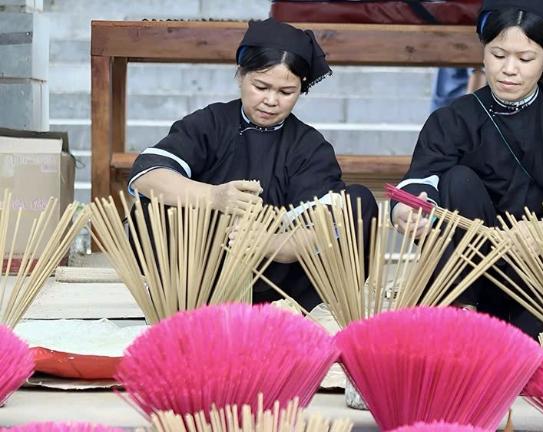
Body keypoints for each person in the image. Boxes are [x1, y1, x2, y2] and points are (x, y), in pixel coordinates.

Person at [391, 0, 543, 336]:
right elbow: (421, 181)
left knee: (533, 348)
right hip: (472, 273)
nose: (509, 69)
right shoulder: (452, 118)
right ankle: (462, 314)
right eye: (498, 55)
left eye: (525, 59)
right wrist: (410, 213)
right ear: (483, 51)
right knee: (456, 180)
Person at [128, 18, 376, 310]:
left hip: (282, 288)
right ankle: (188, 309)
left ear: (301, 89)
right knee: (149, 209)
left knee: (358, 203)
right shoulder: (210, 123)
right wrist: (214, 197)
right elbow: (146, 175)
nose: (271, 101)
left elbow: (327, 222)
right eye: (260, 86)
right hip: (202, 275)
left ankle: (295, 317)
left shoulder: (309, 146)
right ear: (240, 76)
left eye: (286, 92)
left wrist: (270, 244)